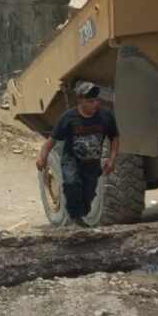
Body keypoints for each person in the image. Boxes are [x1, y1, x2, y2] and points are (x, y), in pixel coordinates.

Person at [36, 82, 120, 226]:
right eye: (90, 101)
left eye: (96, 100)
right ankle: (74, 218)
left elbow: (115, 137)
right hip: (72, 160)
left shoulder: (106, 116)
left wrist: (112, 160)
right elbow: (52, 140)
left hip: (92, 162)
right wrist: (42, 157)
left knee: (88, 195)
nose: (94, 104)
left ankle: (80, 216)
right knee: (72, 183)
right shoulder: (69, 117)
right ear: (80, 101)